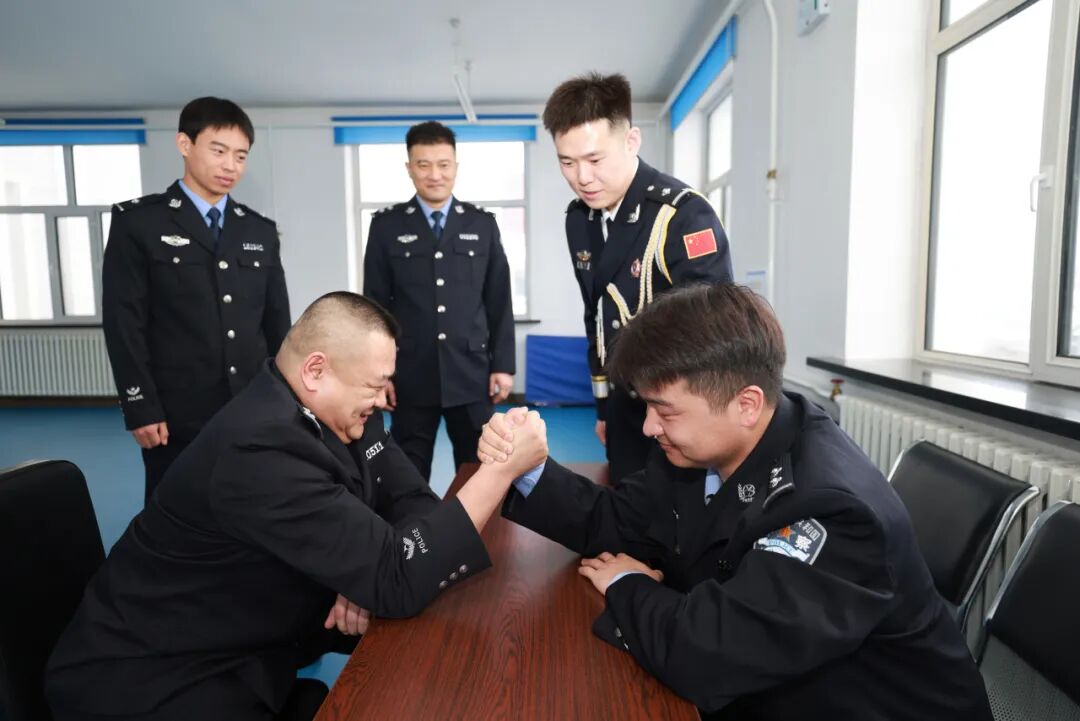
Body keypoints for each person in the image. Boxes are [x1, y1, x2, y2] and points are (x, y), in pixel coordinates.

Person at [478, 283, 992, 720]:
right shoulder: (704, 444)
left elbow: (708, 655)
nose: (649, 427)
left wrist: (627, 584)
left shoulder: (831, 511)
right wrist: (528, 468)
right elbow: (618, 519)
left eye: (664, 411)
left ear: (746, 404)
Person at [46, 292, 547, 721]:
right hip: (154, 683)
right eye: (374, 385)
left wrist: (363, 571)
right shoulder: (259, 449)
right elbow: (397, 577)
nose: (382, 399)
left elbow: (411, 499)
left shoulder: (345, 413)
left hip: (241, 653)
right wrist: (500, 472)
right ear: (315, 370)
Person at [542, 73, 733, 483]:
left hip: (681, 409)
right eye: (567, 162)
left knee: (680, 512)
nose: (582, 178)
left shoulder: (682, 215)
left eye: (595, 160)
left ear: (631, 141)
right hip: (624, 406)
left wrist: (670, 413)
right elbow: (596, 316)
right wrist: (603, 407)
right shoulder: (579, 220)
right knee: (628, 501)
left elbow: (712, 337)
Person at [102, 96, 291, 505]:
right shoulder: (140, 223)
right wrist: (140, 405)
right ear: (185, 144)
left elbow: (277, 324)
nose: (230, 166)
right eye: (218, 151)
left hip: (252, 405)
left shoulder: (259, 231)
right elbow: (124, 323)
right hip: (177, 411)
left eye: (241, 156)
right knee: (176, 512)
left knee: (254, 507)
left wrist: (287, 400)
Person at [364, 120, 515, 482]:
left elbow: (498, 299)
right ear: (409, 168)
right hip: (411, 374)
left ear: (456, 166)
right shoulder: (386, 226)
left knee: (480, 469)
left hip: (471, 372)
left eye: (443, 164)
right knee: (407, 473)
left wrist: (503, 365)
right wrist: (377, 374)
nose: (435, 175)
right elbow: (374, 307)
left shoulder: (481, 224)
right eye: (424, 164)